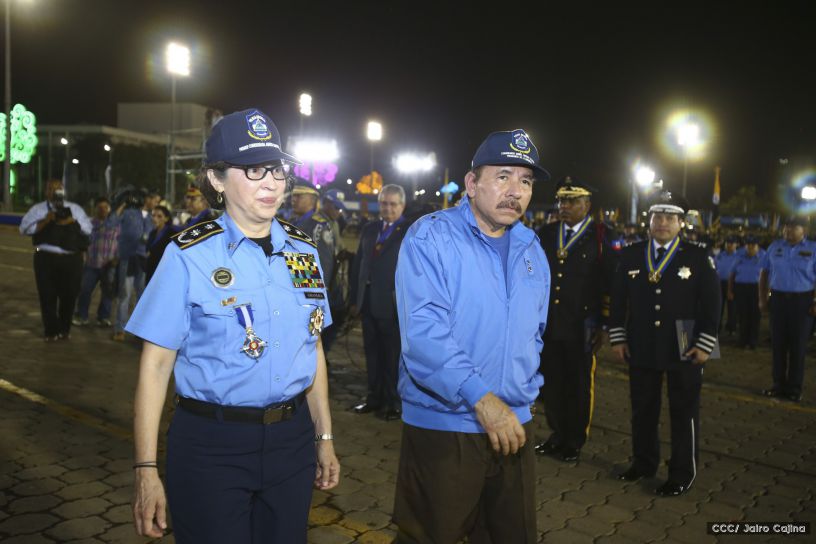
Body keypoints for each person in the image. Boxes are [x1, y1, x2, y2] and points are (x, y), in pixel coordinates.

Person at [128, 108, 339, 543]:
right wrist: (145, 469)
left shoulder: (303, 253)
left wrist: (324, 436)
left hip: (291, 441)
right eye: (254, 170)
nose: (272, 183)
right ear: (217, 179)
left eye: (277, 169)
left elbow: (312, 347)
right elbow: (156, 366)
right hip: (211, 445)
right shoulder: (188, 255)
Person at [393, 129, 551, 543]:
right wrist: (482, 397)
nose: (515, 191)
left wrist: (522, 395)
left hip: (513, 426)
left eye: (525, 181)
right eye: (503, 177)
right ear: (471, 183)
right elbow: (424, 335)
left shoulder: (532, 248)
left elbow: (535, 333)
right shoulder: (431, 236)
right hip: (447, 425)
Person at [609, 191, 720, 497]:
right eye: (658, 217)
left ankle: (682, 473)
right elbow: (618, 299)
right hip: (641, 340)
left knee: (684, 411)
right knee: (642, 408)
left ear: (681, 223)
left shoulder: (698, 255)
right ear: (650, 221)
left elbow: (712, 304)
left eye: (670, 218)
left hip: (684, 339)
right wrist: (618, 337)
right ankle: (643, 463)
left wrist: (706, 344)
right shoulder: (632, 253)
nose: (662, 223)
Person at [534, 176, 616, 463]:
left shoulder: (601, 237)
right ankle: (557, 433)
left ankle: (574, 440)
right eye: (561, 200)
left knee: (578, 384)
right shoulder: (547, 233)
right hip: (550, 323)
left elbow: (609, 283)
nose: (565, 206)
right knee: (552, 382)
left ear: (587, 204)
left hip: (583, 325)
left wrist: (604, 324)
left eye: (572, 201)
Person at [349, 184, 409, 421]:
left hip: (392, 306)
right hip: (368, 303)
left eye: (393, 204)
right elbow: (359, 265)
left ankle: (394, 402)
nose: (388, 208)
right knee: (372, 354)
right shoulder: (370, 228)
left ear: (402, 205)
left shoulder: (408, 232)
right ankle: (374, 397)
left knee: (392, 357)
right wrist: (354, 299)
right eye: (384, 203)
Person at [20, 179, 92, 340]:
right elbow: (24, 229)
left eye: (58, 188)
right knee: (47, 295)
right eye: (51, 188)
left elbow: (88, 230)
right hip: (45, 259)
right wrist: (45, 220)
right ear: (46, 192)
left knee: (69, 296)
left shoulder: (75, 209)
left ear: (63, 191)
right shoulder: (38, 209)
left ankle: (64, 330)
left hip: (71, 260)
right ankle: (51, 331)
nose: (55, 191)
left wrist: (72, 221)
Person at [758, 216, 816, 403]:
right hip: (778, 300)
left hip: (802, 302)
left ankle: (794, 388)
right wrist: (762, 298)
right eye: (786, 227)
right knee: (778, 345)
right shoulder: (775, 247)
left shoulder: (813, 249)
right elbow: (764, 273)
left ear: (804, 230)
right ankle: (778, 385)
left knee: (798, 346)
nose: (787, 230)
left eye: (793, 227)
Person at [73, 196, 119, 327]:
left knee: (107, 293)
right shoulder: (88, 224)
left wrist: (117, 258)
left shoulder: (116, 225)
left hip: (109, 265)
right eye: (100, 207)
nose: (103, 210)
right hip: (91, 264)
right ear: (95, 209)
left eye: (106, 207)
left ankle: (103, 317)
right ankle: (82, 316)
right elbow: (80, 241)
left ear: (109, 209)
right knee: (85, 291)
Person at [111, 189, 149, 342]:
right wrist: (122, 205)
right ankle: (120, 329)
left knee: (142, 295)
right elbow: (111, 222)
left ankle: (139, 330)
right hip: (128, 257)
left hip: (143, 258)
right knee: (125, 295)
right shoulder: (127, 213)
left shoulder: (149, 215)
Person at [728, 235, 765, 349]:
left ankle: (753, 341)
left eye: (753, 245)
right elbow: (732, 274)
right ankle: (742, 340)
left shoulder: (764, 256)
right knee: (742, 315)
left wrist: (765, 293)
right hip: (741, 288)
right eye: (748, 245)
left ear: (758, 246)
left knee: (755, 315)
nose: (750, 248)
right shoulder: (739, 255)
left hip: (756, 288)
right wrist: (730, 290)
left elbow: (767, 276)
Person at [715, 235, 740, 335]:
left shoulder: (739, 256)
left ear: (736, 245)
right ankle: (718, 327)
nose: (729, 245)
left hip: (733, 283)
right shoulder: (720, 255)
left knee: (732, 307)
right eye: (727, 243)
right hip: (719, 283)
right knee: (718, 306)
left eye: (732, 243)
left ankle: (731, 327)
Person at [144, 205, 174, 284]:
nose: (155, 219)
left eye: (159, 216)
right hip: (151, 270)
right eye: (153, 215)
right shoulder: (152, 233)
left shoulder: (171, 233)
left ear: (166, 218)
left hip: (164, 272)